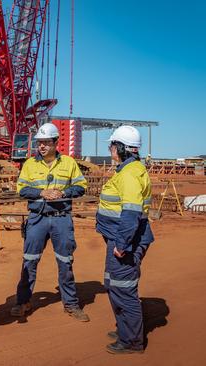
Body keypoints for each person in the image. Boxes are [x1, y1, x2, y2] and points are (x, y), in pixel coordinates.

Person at [11, 123, 90, 321]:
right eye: (40, 143)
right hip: (37, 219)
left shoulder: (69, 163)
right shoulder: (30, 164)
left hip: (61, 218)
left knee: (65, 262)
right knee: (29, 260)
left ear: (56, 143)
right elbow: (22, 189)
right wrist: (41, 193)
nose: (42, 146)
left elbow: (81, 186)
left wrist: (63, 192)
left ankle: (71, 304)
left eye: (46, 142)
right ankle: (23, 302)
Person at [97, 126, 153, 354]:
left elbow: (130, 213)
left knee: (124, 289)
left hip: (125, 242)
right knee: (113, 284)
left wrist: (121, 244)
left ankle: (131, 341)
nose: (110, 149)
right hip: (119, 238)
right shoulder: (127, 170)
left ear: (120, 147)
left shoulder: (129, 174)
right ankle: (125, 328)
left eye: (112, 145)